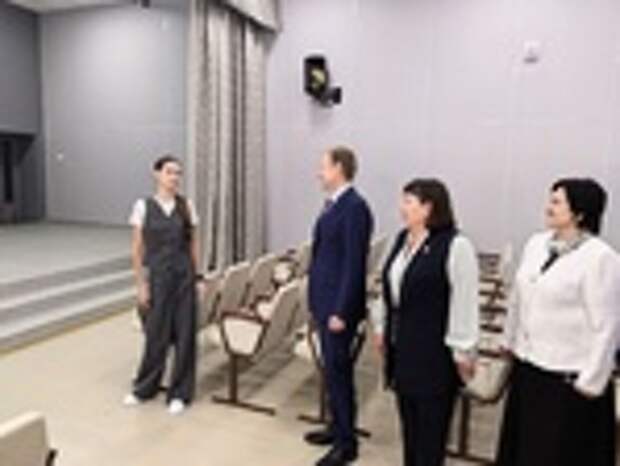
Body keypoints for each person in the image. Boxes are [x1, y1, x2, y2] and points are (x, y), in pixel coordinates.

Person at [496, 178, 620, 466]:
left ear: (579, 213)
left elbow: (606, 325)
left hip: (568, 378)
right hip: (529, 366)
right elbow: (519, 297)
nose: (548, 207)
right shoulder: (536, 244)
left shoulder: (601, 258)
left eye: (557, 202)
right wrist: (509, 339)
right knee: (523, 447)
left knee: (555, 453)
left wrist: (591, 380)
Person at [373, 178, 479, 466]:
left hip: (435, 356)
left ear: (428, 208)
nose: (401, 208)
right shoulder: (402, 240)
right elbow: (388, 289)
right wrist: (381, 327)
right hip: (403, 352)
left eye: (408, 202)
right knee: (410, 430)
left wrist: (463, 352)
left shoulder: (456, 245)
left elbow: (464, 303)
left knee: (431, 437)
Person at [306, 146, 374, 466]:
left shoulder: (355, 208)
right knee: (332, 372)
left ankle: (347, 443)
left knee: (339, 373)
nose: (318, 173)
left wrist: (342, 310)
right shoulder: (334, 204)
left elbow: (353, 265)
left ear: (339, 169)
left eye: (323, 167)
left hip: (338, 307)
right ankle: (336, 427)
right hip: (325, 301)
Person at [123, 155, 201, 416]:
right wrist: (141, 285)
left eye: (178, 173)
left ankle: (180, 393)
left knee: (185, 335)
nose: (174, 177)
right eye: (169, 172)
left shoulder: (187, 206)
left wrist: (197, 277)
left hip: (183, 276)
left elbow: (193, 245)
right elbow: (137, 250)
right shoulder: (142, 206)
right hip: (157, 277)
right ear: (157, 174)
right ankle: (144, 388)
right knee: (156, 334)